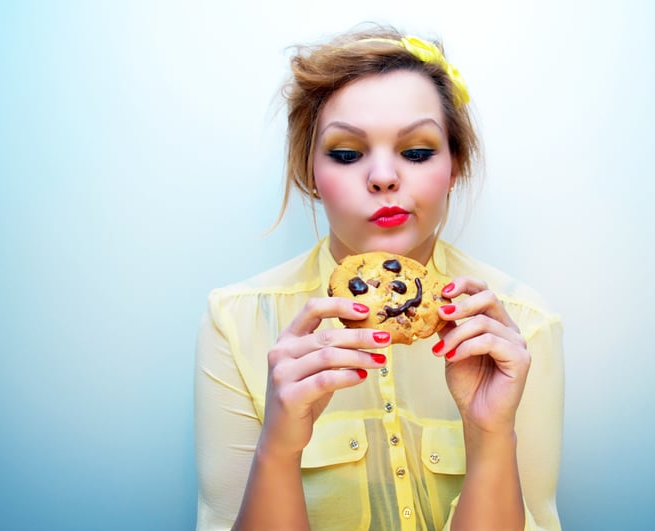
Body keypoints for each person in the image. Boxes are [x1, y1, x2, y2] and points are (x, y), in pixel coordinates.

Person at [194, 24, 564, 531]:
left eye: (416, 151)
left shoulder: (523, 327)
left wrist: (490, 434)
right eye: (347, 153)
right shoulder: (237, 321)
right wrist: (279, 449)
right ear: (309, 171)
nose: (384, 177)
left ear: (454, 164)